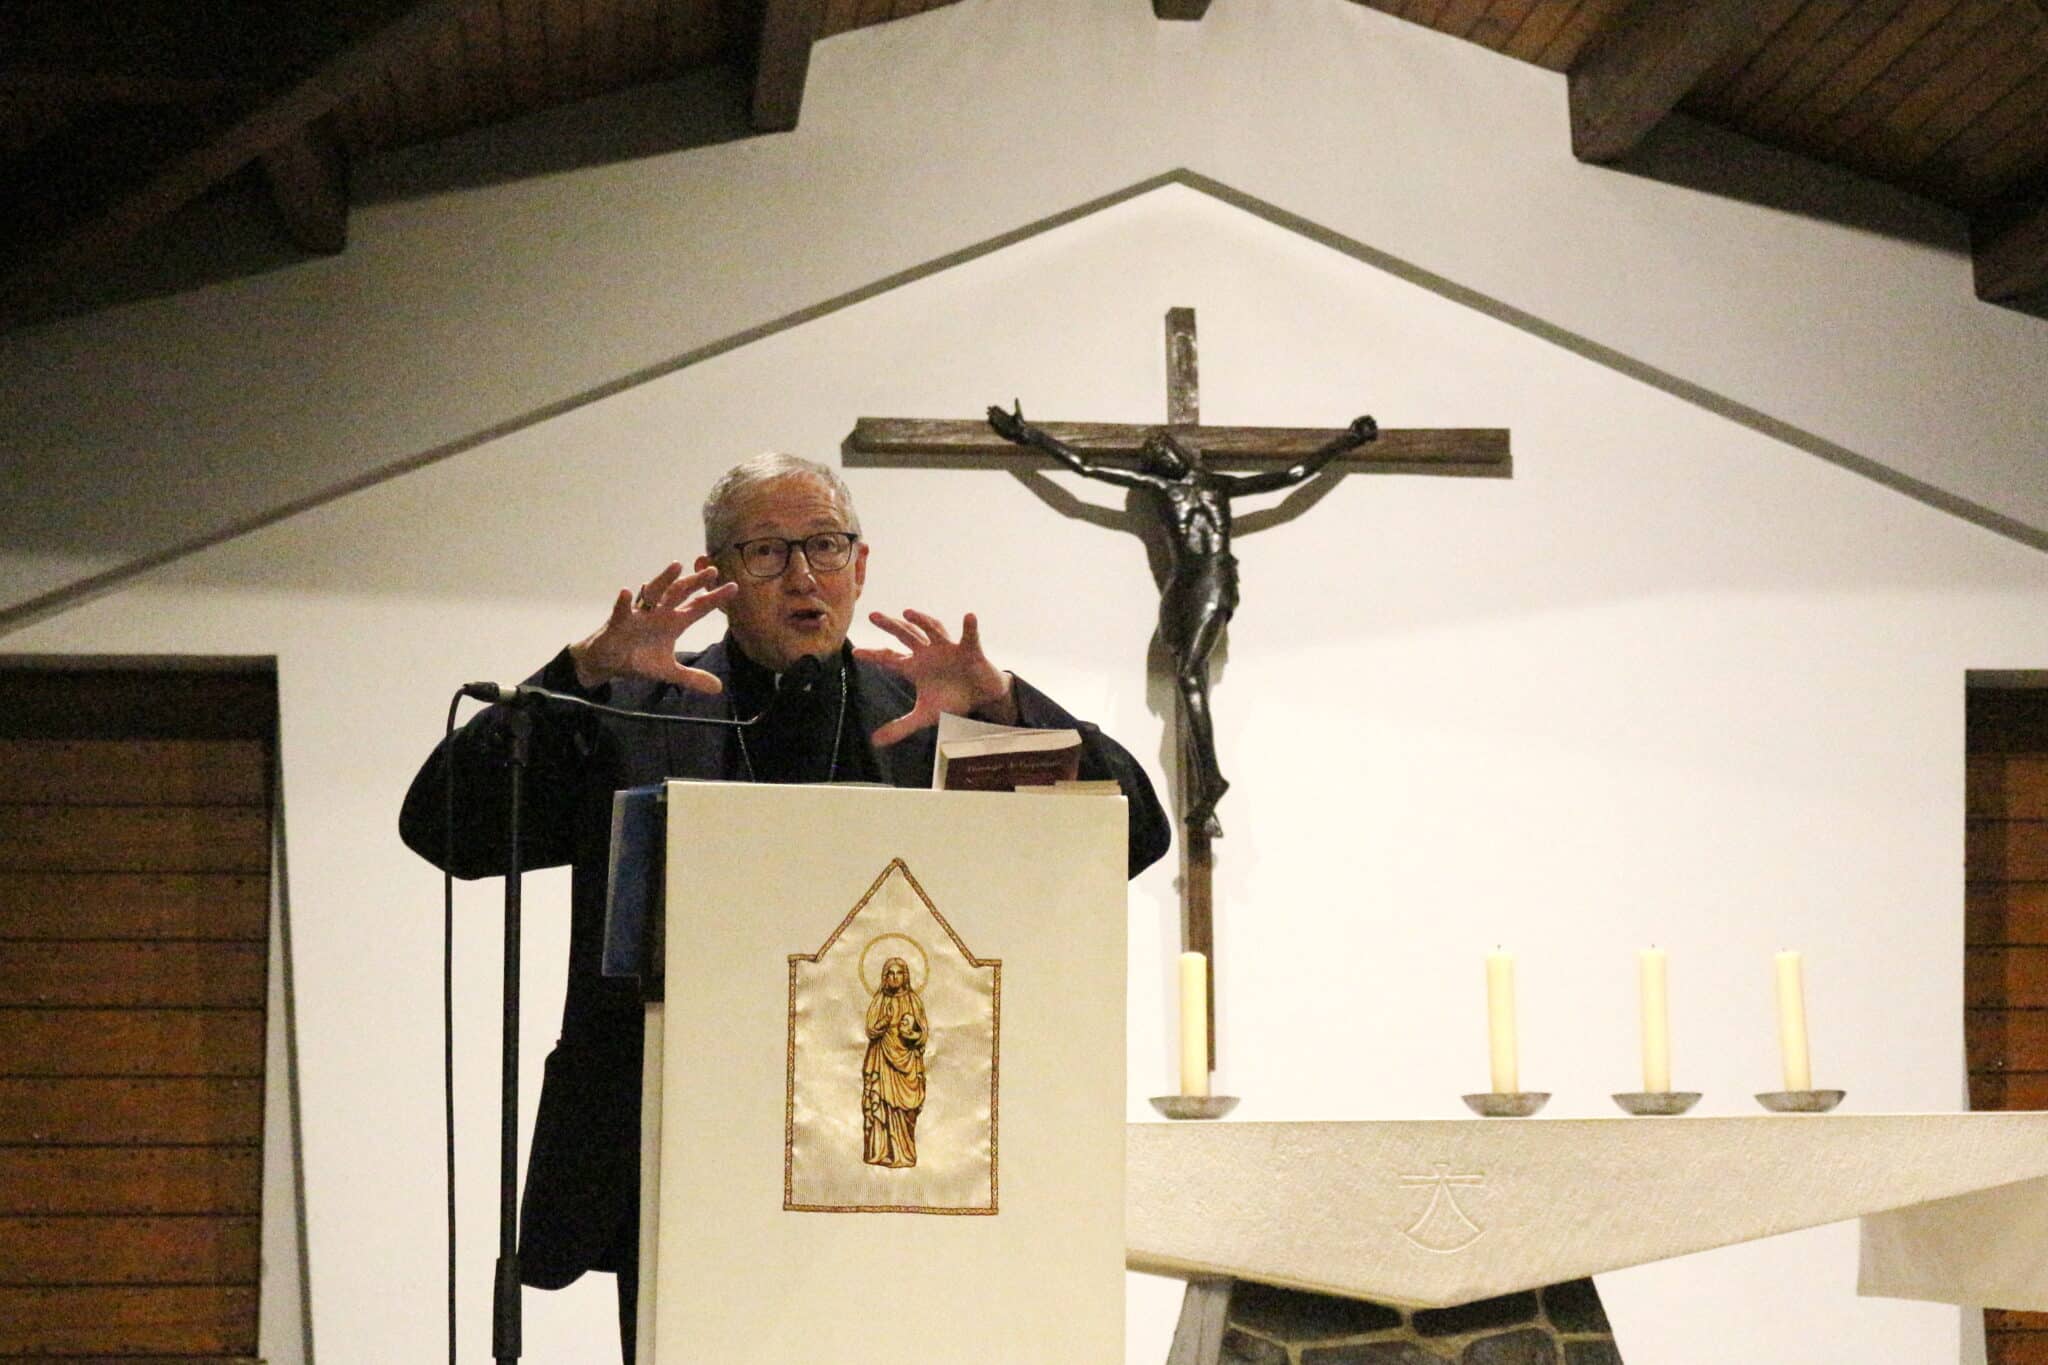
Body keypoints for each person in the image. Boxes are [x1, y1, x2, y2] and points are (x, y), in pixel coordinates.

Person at [399, 453, 1168, 1363]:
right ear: (718, 578)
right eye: (766, 552)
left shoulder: (929, 718)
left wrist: (1004, 704)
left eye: (825, 546)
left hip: (899, 1162)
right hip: (679, 1153)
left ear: (861, 565)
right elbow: (446, 826)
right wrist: (579, 674)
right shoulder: (638, 714)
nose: (803, 575)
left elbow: (1131, 833)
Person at [987, 404, 1376, 837]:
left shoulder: (1218, 485)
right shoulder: (1158, 488)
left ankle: (1212, 781)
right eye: (1153, 455)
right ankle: (1208, 783)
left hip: (1213, 578)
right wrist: (1028, 436)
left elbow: (1291, 476)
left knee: (1191, 675)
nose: (1160, 456)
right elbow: (1085, 470)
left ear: (1180, 451)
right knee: (1185, 679)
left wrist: (1348, 441)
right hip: (1180, 587)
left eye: (1163, 448)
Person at [862, 956, 927, 1169]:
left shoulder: (913, 1001)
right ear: (885, 977)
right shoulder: (880, 1000)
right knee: (882, 1104)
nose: (895, 977)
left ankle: (904, 1154)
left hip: (906, 1063)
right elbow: (870, 1030)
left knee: (905, 1112)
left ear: (905, 976)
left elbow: (923, 1032)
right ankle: (881, 1152)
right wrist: (885, 1021)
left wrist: (913, 1036)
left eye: (899, 973)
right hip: (882, 1058)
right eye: (890, 973)